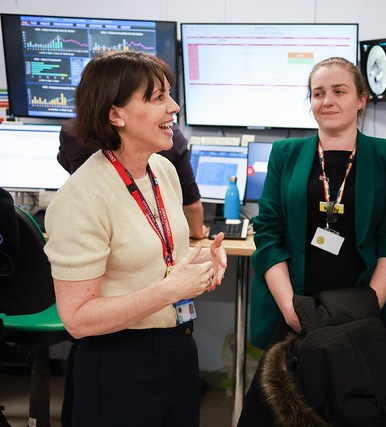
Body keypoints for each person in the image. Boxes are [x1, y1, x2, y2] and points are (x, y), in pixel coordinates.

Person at [43, 50, 227, 426]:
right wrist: (170, 291)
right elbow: (77, 319)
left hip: (177, 347)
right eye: (158, 97)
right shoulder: (81, 197)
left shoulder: (162, 169)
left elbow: (157, 257)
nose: (173, 107)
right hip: (118, 363)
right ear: (116, 114)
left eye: (169, 95)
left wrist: (200, 261)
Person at [238, 57, 386, 425]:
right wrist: (288, 308)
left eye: (339, 91)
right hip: (297, 307)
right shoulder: (286, 154)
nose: (327, 101)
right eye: (318, 93)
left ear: (361, 99)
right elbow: (268, 232)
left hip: (362, 310)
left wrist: (369, 306)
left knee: (352, 412)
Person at [57, 118, 207, 239]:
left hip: (87, 230)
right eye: (158, 97)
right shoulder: (168, 136)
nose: (173, 107)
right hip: (143, 239)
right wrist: (197, 231)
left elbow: (70, 167)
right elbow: (192, 204)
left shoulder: (71, 132)